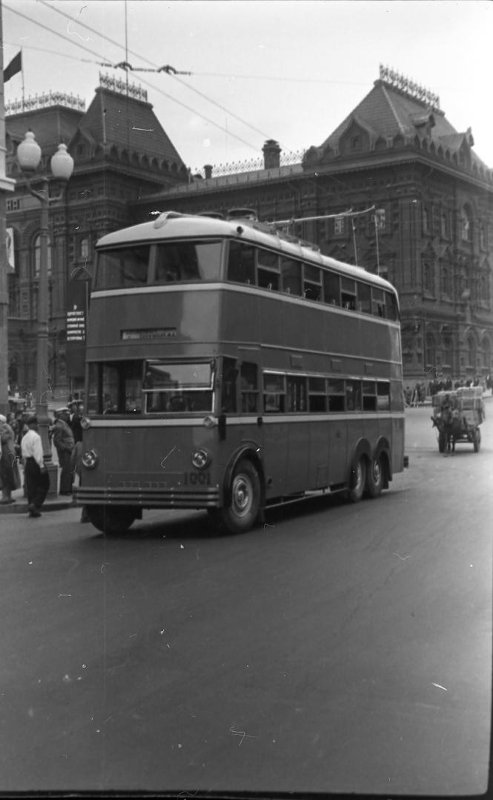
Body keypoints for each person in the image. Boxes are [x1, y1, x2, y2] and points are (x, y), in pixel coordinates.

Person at [21, 416, 49, 518]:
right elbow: (38, 452)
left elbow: (23, 453)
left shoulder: (24, 437)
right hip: (36, 462)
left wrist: (25, 466)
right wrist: (41, 465)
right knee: (44, 484)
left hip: (28, 463)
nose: (37, 425)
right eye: (36, 424)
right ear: (32, 424)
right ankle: (35, 504)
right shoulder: (36, 437)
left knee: (31, 486)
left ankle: (32, 510)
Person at [51, 407, 75, 495]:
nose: (68, 416)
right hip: (65, 452)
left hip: (68, 450)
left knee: (69, 470)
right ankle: (64, 490)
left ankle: (68, 488)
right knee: (66, 470)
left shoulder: (63, 424)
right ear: (60, 415)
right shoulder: (60, 426)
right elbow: (57, 441)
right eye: (66, 414)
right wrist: (66, 448)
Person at [0, 414, 20, 504]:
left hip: (6, 456)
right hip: (10, 455)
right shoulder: (8, 428)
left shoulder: (4, 429)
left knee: (5, 476)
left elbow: (3, 439)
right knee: (9, 475)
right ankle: (8, 496)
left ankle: (5, 497)